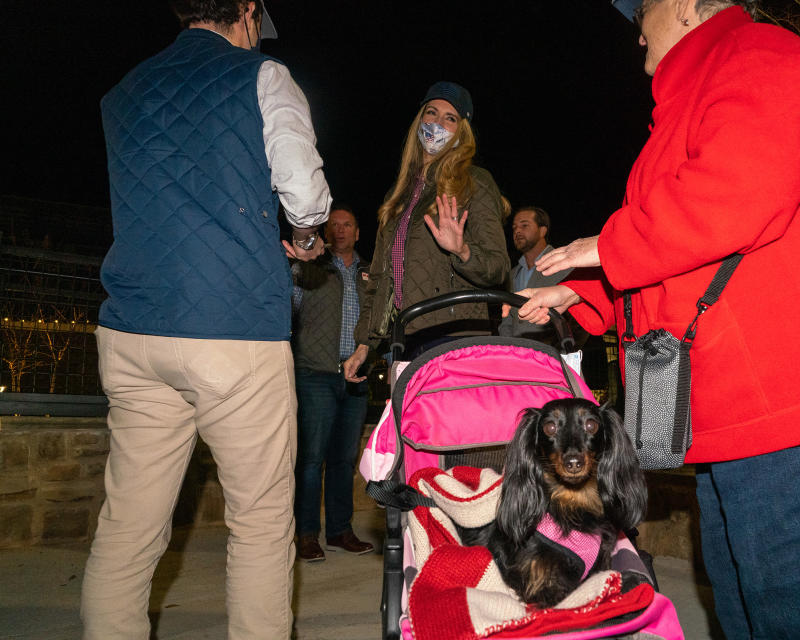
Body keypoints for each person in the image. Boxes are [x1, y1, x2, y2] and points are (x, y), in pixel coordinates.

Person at [512, 1, 800, 639]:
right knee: (747, 606)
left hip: (792, 394)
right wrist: (587, 296)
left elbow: (737, 191)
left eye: (643, 11)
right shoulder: (687, 103)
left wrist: (604, 246)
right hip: (739, 408)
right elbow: (682, 260)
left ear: (685, 5)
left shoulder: (758, 53)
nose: (636, 32)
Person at [82, 1, 332, 637]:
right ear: (246, 11)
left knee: (127, 529)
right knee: (259, 525)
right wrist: (306, 238)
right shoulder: (261, 76)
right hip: (233, 330)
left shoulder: (122, 92)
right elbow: (302, 188)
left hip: (134, 328)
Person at [343, 81, 510, 379]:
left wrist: (462, 251)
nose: (438, 123)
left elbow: (498, 268)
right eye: (431, 112)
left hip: (454, 337)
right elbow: (381, 278)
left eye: (451, 117)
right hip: (403, 338)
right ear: (419, 120)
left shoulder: (475, 181)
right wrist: (364, 344)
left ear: (462, 132)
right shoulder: (398, 195)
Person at [289, 204, 374, 561]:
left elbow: (380, 320)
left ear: (357, 232)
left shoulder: (371, 273)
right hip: (315, 373)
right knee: (311, 459)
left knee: (343, 459)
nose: (340, 229)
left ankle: (340, 531)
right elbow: (288, 306)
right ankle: (306, 533)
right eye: (334, 225)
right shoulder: (311, 268)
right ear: (326, 232)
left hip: (356, 377)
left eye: (347, 224)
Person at [498, 207, 574, 343]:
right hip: (517, 356)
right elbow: (508, 319)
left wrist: (562, 351)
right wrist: (506, 347)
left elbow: (578, 318)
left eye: (524, 225)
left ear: (542, 230)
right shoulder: (513, 273)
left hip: (550, 358)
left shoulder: (564, 264)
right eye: (514, 228)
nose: (517, 231)